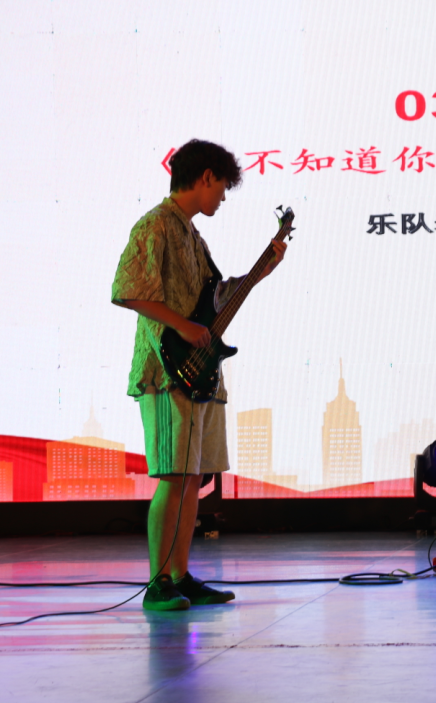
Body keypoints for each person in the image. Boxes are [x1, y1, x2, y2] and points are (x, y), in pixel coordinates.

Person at [112, 139, 287, 611]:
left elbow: (215, 298)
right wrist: (182, 326)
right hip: (166, 369)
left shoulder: (193, 235)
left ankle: (180, 575)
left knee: (191, 479)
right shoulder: (154, 225)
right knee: (174, 476)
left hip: (199, 371)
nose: (223, 197)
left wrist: (260, 271)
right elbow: (127, 290)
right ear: (205, 176)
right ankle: (158, 583)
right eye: (223, 186)